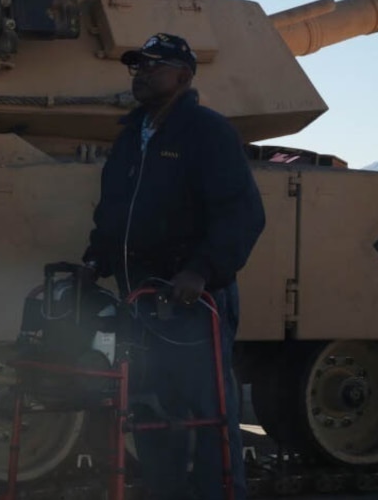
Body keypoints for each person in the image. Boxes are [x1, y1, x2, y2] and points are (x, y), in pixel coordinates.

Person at [81, 33, 265, 500]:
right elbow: (113, 210)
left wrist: (201, 270)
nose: (140, 73)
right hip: (140, 299)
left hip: (192, 302)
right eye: (137, 65)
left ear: (183, 76)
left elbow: (241, 214)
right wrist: (96, 258)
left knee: (210, 414)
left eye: (153, 65)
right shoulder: (131, 136)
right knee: (150, 409)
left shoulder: (207, 132)